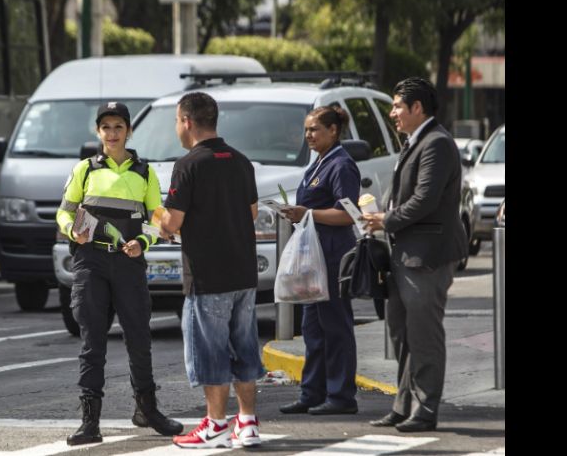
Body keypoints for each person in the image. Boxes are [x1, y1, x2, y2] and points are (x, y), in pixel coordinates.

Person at [56, 102, 183, 446]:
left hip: (128, 263)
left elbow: (157, 219)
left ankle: (148, 411)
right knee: (92, 342)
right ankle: (89, 421)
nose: (112, 133)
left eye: (118, 127)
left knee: (139, 339)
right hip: (90, 262)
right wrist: (73, 232)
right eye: (106, 127)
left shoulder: (144, 172)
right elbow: (64, 213)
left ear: (128, 130)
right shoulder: (84, 169)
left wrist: (143, 241)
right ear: (98, 132)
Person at [363, 77, 468, 432]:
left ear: (417, 108)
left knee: (423, 334)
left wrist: (385, 220)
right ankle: (404, 404)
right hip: (405, 253)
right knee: (401, 332)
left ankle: (424, 410)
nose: (392, 113)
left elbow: (425, 200)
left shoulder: (437, 143)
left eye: (396, 106)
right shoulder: (416, 141)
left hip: (427, 255)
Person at [160, 92, 263, 449]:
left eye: (177, 120)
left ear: (187, 121)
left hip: (206, 276)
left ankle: (216, 424)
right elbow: (251, 212)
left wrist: (158, 221)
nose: (177, 127)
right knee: (245, 348)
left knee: (210, 352)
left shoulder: (188, 165)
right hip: (244, 273)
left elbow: (172, 221)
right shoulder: (241, 161)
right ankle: (247, 423)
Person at [277, 105, 361, 416]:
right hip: (313, 258)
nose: (308, 135)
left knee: (336, 327)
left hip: (333, 256)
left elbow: (349, 214)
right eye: (307, 130)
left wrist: (307, 213)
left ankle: (341, 396)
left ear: (333, 130)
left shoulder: (341, 165)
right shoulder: (316, 165)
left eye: (314, 129)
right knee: (313, 328)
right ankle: (312, 392)